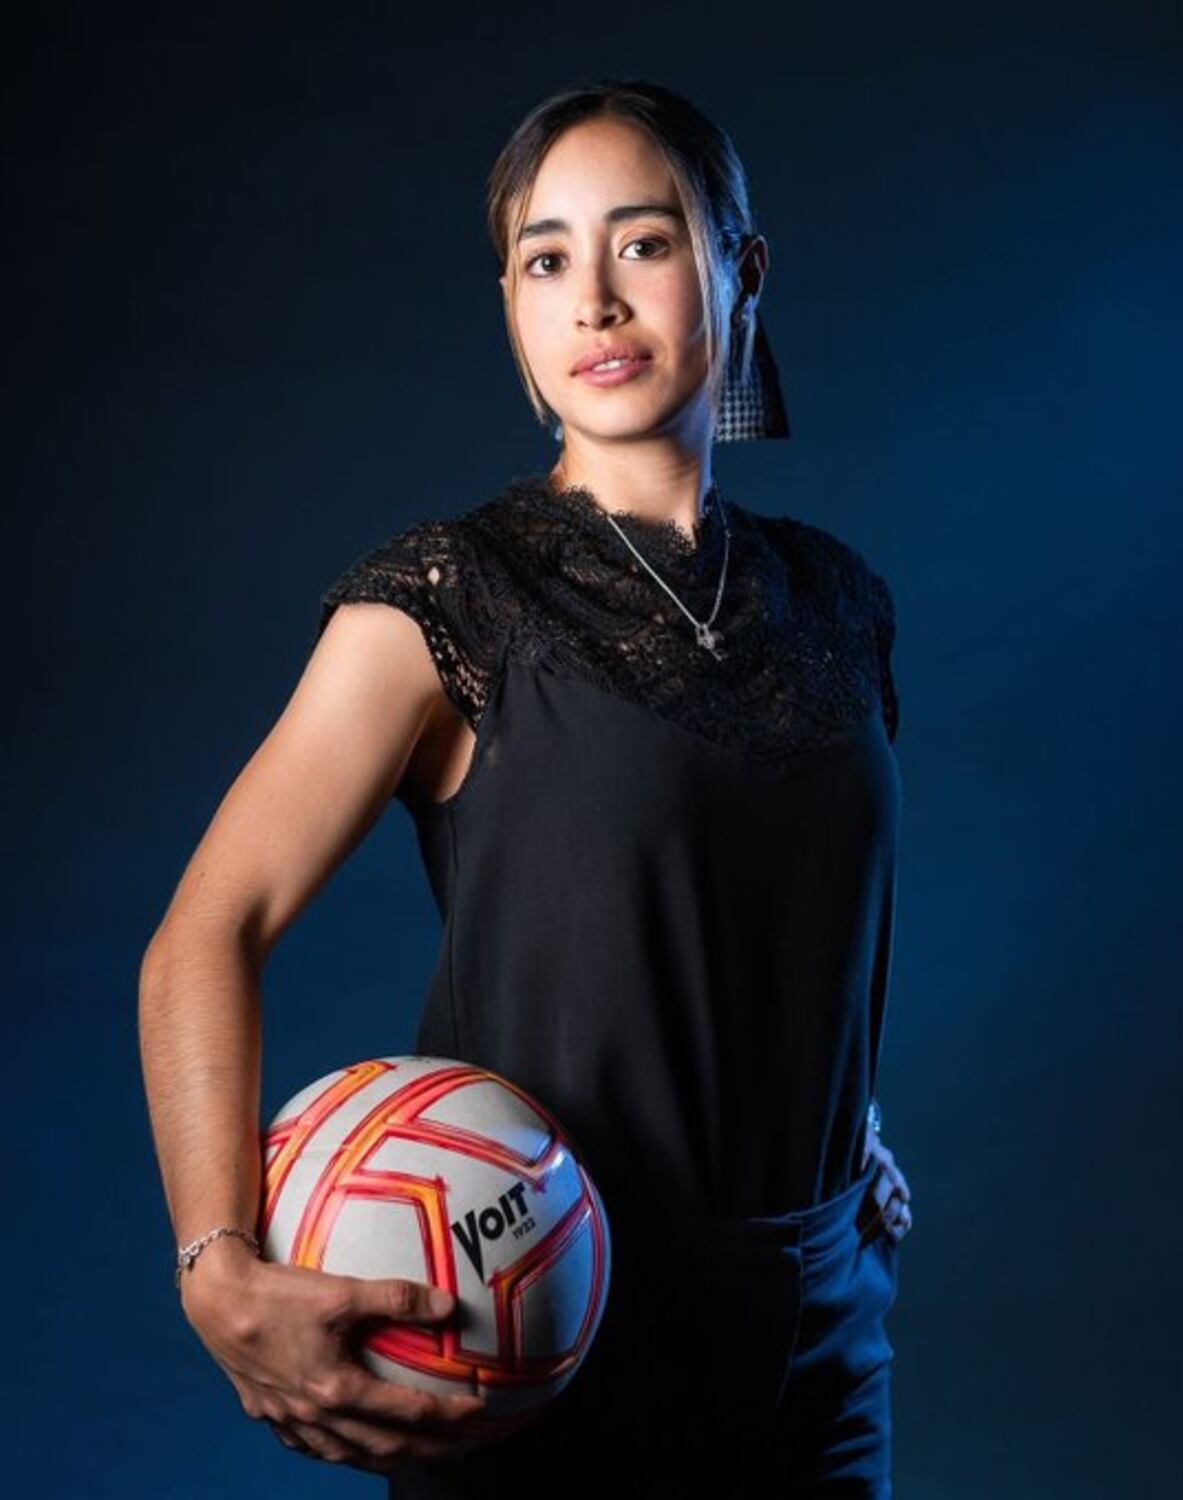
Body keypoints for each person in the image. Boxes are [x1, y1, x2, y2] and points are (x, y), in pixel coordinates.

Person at [138, 76, 914, 1497]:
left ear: (741, 271)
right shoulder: (448, 598)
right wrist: (217, 1262)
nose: (596, 302)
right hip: (543, 1337)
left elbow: (775, 916)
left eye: (645, 243)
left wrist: (839, 1128)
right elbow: (206, 933)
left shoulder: (839, 602)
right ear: (510, 306)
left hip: (825, 1344)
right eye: (547, 261)